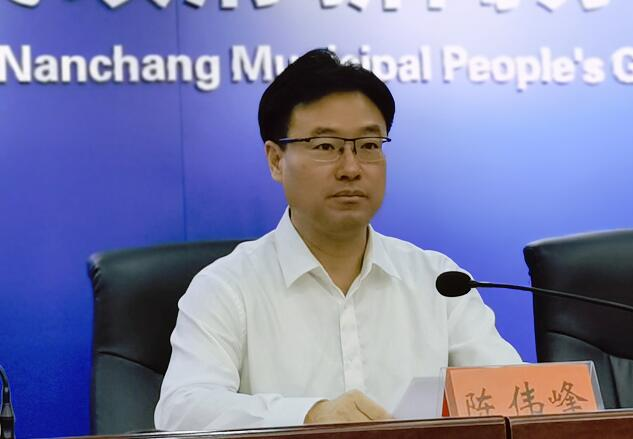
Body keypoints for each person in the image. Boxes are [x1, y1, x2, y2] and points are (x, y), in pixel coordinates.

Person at [154, 48, 521, 431]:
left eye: (369, 146)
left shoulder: (438, 281)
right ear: (276, 160)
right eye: (326, 146)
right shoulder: (228, 287)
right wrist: (310, 417)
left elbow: (514, 397)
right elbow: (183, 409)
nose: (351, 168)